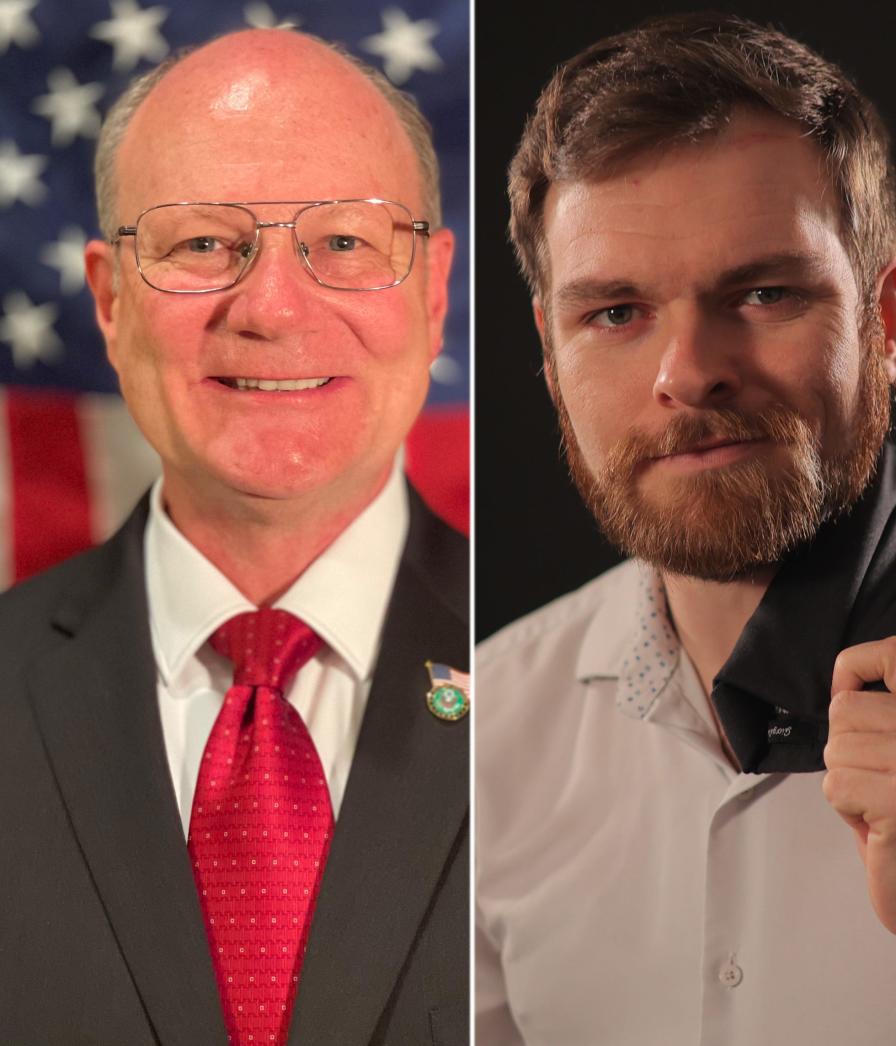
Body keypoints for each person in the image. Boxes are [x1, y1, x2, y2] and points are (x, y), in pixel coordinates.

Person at [477, 13, 896, 1044]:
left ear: (891, 322)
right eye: (615, 313)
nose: (689, 372)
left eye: (765, 292)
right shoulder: (483, 740)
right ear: (552, 362)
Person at [0, 28, 468, 1046]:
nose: (269, 306)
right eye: (203, 242)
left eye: (345, 241)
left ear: (434, 294)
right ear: (112, 300)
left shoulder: (555, 671)